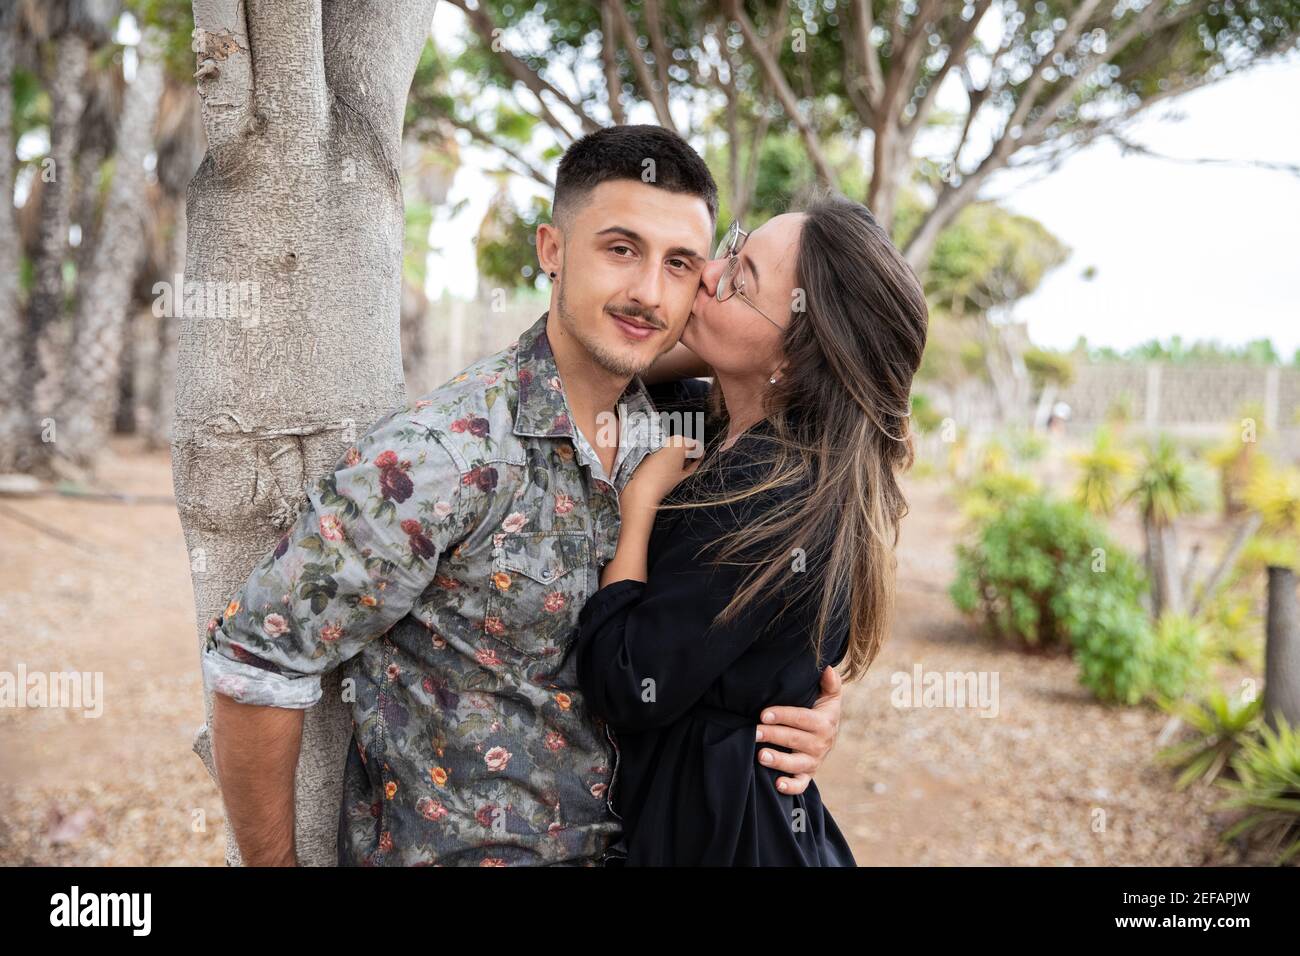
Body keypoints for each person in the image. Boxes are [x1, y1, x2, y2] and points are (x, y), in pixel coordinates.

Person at [198, 124, 843, 866]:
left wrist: (804, 708)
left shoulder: (685, 435)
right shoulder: (441, 456)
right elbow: (256, 662)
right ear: (552, 250)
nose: (646, 291)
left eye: (680, 264)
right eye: (620, 249)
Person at [575, 192, 929, 865]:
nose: (708, 270)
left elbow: (624, 680)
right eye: (734, 246)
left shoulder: (762, 497)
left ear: (795, 359)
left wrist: (642, 502)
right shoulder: (765, 449)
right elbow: (605, 362)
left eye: (741, 278)